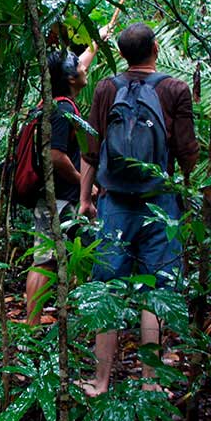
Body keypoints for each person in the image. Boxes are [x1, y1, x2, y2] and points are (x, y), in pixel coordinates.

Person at [78, 23, 200, 395]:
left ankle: (100, 381)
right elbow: (187, 152)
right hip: (159, 203)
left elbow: (91, 149)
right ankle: (150, 383)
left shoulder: (106, 88)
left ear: (123, 53)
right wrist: (187, 186)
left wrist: (86, 198)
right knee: (155, 293)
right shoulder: (175, 89)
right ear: (156, 49)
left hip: (114, 203)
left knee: (108, 291)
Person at [24, 27, 109, 325]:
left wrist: (98, 40)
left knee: (73, 256)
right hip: (60, 197)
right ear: (72, 79)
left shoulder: (57, 99)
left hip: (59, 197)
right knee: (45, 260)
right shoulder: (62, 111)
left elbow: (83, 59)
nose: (86, 67)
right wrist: (84, 184)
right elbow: (55, 156)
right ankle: (32, 326)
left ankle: (76, 320)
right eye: (81, 68)